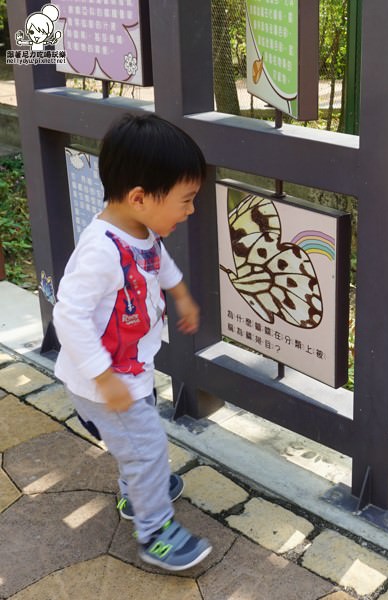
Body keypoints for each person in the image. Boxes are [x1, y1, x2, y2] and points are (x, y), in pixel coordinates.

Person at [53, 113, 211, 571]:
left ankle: (135, 491)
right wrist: (105, 378)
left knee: (136, 450)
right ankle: (155, 532)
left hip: (127, 372)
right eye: (186, 200)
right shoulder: (101, 250)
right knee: (148, 449)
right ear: (140, 197)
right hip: (106, 384)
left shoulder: (142, 231)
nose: (191, 210)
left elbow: (159, 266)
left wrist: (181, 296)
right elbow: (69, 314)